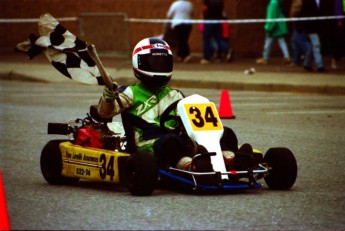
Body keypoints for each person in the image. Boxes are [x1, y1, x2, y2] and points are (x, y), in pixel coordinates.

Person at [97, 37, 255, 174]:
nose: (159, 67)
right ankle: (190, 166)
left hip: (176, 140)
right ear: (139, 63)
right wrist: (108, 97)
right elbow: (105, 113)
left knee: (225, 132)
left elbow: (188, 123)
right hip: (147, 145)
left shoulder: (175, 95)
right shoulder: (130, 92)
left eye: (163, 63)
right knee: (170, 142)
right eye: (154, 63)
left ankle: (230, 160)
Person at [290, 0, 326, 72]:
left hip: (319, 27)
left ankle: (307, 63)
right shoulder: (307, 2)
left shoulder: (322, 2)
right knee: (316, 45)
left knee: (313, 46)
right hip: (311, 27)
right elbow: (303, 13)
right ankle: (319, 65)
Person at [256, 0, 291, 65]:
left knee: (268, 42)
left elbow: (271, 16)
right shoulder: (278, 1)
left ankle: (265, 58)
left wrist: (268, 27)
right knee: (281, 41)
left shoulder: (273, 2)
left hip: (274, 26)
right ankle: (287, 57)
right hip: (280, 25)